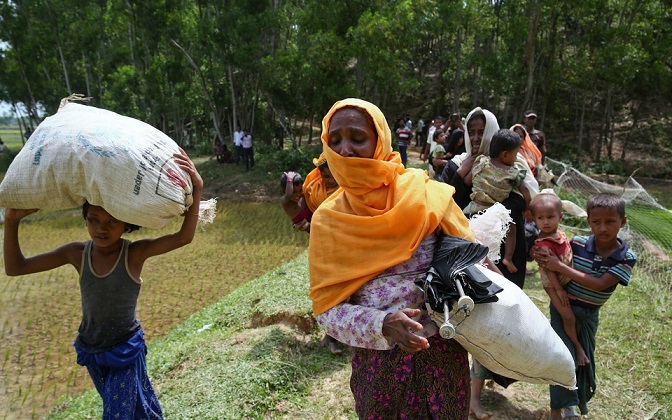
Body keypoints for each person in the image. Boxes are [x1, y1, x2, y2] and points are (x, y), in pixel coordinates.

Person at [309, 98, 495, 419]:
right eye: (335, 140)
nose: (346, 149)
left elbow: (464, 252)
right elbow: (327, 311)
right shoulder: (329, 219)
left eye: (357, 138)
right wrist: (383, 324)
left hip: (443, 351)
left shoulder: (423, 193)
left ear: (379, 139)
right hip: (379, 365)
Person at [3, 147, 203, 420]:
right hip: (91, 349)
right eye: (93, 220)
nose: (102, 228)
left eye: (112, 221)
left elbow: (183, 238)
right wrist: (12, 220)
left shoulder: (133, 254)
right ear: (85, 220)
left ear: (126, 224)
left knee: (117, 414)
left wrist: (198, 189)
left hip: (125, 348)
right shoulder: (76, 253)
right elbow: (16, 268)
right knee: (137, 410)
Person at [437, 107, 538, 419]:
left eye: (483, 131)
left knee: (496, 315)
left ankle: (480, 382)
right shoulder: (462, 162)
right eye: (472, 132)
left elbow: (527, 202)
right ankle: (467, 389)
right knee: (468, 315)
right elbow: (442, 199)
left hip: (507, 251)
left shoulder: (515, 165)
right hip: (468, 249)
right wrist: (459, 174)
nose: (477, 137)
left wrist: (501, 205)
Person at [532, 193, 636, 419]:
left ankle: (572, 405)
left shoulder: (626, 257)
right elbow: (547, 254)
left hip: (588, 316)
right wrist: (540, 254)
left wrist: (559, 267)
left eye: (610, 222)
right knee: (562, 358)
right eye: (596, 222)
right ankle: (556, 411)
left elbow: (599, 285)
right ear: (588, 221)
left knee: (582, 362)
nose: (603, 228)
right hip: (563, 308)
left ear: (623, 222)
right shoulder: (577, 243)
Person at [530, 192, 589, 367]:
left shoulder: (560, 235)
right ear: (534, 220)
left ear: (560, 216)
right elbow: (549, 271)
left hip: (565, 278)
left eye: (550, 217)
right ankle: (577, 347)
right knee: (568, 317)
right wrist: (559, 290)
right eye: (541, 218)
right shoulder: (542, 245)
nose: (546, 222)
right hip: (553, 283)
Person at [463, 129, 532, 273]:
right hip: (493, 211)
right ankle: (507, 257)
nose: (516, 157)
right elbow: (526, 191)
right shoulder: (513, 172)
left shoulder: (481, 162)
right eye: (516, 154)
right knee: (511, 228)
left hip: (472, 208)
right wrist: (528, 209)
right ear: (505, 154)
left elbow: (467, 180)